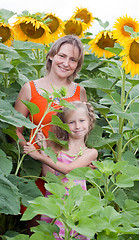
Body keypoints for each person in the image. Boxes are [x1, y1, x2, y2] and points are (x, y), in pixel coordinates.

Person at [14, 35, 87, 199]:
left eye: (73, 60)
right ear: (51, 55)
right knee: (36, 218)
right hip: (35, 168)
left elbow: (83, 131)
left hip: (68, 167)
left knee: (67, 219)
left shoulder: (79, 92)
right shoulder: (30, 89)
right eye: (62, 56)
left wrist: (84, 157)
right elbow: (15, 130)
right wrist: (29, 150)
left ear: (77, 66)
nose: (66, 63)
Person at [23, 101, 98, 240]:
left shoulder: (90, 153)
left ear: (90, 122)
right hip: (54, 203)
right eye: (71, 122)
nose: (77, 126)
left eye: (82, 120)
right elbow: (48, 176)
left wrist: (40, 156)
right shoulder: (56, 148)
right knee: (53, 235)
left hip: (75, 205)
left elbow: (69, 170)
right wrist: (44, 149)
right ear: (64, 125)